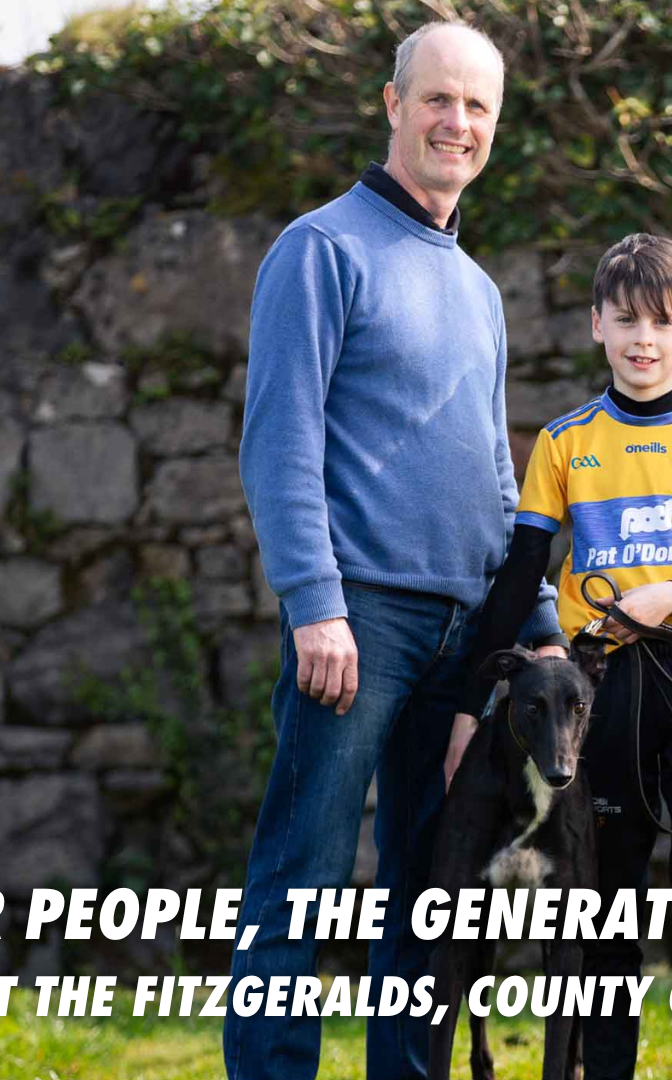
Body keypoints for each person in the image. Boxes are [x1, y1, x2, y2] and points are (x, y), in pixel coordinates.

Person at [228, 21, 565, 1080]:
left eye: (477, 108)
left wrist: (536, 626)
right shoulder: (319, 249)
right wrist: (313, 600)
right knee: (305, 873)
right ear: (391, 103)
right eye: (437, 99)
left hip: (468, 637)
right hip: (358, 622)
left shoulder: (478, 290)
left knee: (430, 884)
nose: (456, 123)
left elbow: (494, 478)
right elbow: (278, 440)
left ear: (495, 127)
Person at [453, 233, 672, 1080]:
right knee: (607, 906)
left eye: (661, 323)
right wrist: (465, 705)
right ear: (596, 324)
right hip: (601, 696)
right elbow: (522, 570)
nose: (643, 339)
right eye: (625, 319)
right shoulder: (564, 442)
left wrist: (671, 598)